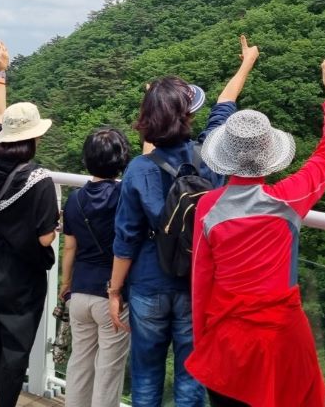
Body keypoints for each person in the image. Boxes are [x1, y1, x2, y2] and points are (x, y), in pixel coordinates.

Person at [109, 34, 260, 407]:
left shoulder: (138, 169)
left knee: (146, 377)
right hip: (197, 282)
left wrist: (114, 290)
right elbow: (224, 106)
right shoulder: (212, 156)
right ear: (188, 116)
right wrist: (246, 63)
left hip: (148, 282)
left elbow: (126, 238)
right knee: (191, 379)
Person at [186, 58, 325, 407]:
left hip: (226, 341)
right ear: (269, 154)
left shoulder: (208, 207)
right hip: (282, 338)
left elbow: (201, 281)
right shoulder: (289, 199)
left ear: (225, 155)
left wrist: (203, 342)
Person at [0, 40, 59, 407]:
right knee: (14, 351)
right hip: (23, 279)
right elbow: (44, 238)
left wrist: (1, 73)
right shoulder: (40, 180)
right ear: (35, 138)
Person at [60, 127, 131, 407]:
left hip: (79, 293)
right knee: (108, 372)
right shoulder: (123, 195)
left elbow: (70, 248)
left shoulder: (74, 199)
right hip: (111, 295)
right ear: (121, 159)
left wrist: (66, 284)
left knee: (80, 364)